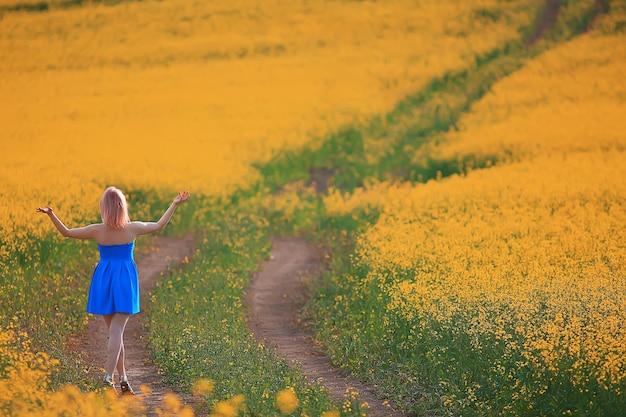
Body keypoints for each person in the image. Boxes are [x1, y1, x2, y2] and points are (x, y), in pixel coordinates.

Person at [37, 186, 190, 395]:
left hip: (104, 279)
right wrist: (174, 204)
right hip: (125, 279)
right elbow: (159, 225)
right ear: (122, 207)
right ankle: (114, 378)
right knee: (116, 333)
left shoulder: (97, 230)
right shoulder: (132, 228)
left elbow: (66, 233)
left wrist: (52, 215)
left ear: (104, 208)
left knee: (114, 333)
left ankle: (117, 378)